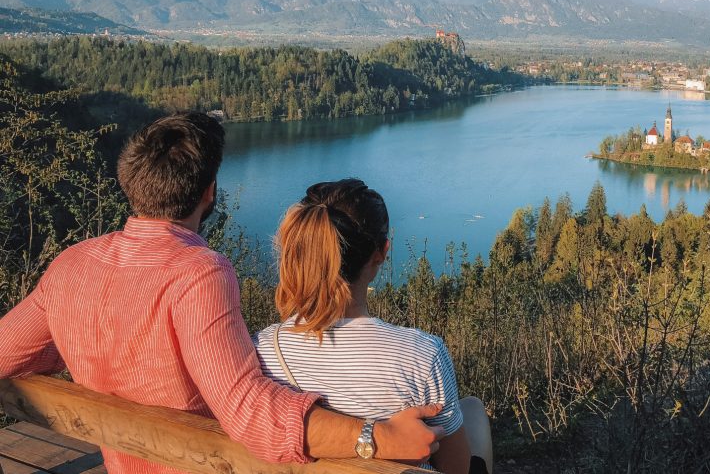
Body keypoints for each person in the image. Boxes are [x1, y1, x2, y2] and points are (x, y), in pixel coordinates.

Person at [0, 112, 443, 474]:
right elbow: (248, 410)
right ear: (209, 193)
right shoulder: (198, 273)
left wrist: (81, 342)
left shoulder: (72, 266)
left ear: (130, 183)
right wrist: (376, 436)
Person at [255, 179, 493, 474]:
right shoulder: (421, 355)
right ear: (381, 252)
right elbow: (456, 468)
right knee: (473, 409)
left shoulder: (263, 348)